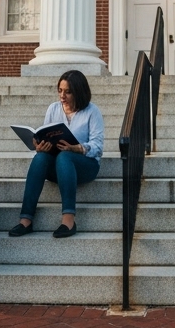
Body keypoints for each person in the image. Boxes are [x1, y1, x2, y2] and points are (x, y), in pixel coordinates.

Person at [8, 69, 105, 239]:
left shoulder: (92, 111)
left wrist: (76, 148)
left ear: (79, 92)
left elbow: (98, 146)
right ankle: (26, 220)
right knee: (41, 157)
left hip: (85, 165)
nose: (62, 96)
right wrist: (42, 145)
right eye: (60, 91)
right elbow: (48, 133)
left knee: (65, 156)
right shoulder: (53, 108)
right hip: (58, 165)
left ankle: (68, 220)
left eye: (68, 92)